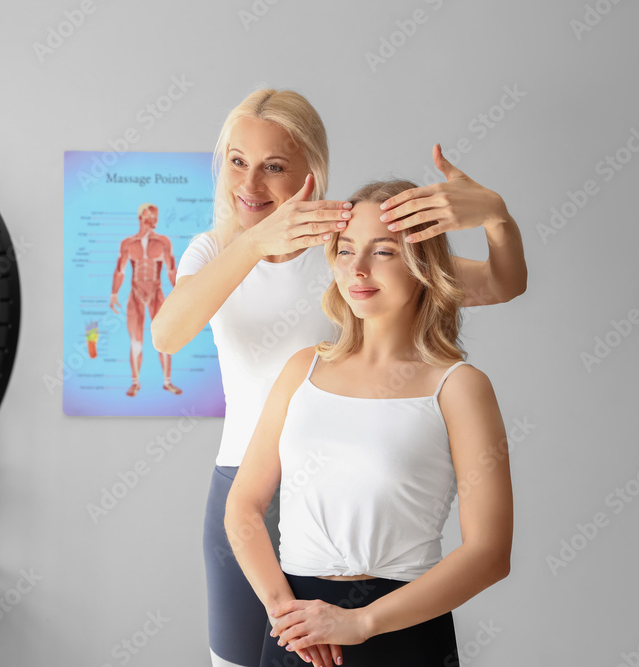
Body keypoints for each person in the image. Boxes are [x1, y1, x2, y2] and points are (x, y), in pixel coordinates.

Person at [150, 88, 526, 667]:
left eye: (274, 167)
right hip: (246, 486)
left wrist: (495, 217)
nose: (250, 185)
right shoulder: (215, 250)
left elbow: (501, 283)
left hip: (353, 487)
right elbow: (167, 336)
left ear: (312, 172)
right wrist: (253, 244)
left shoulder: (348, 243)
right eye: (237, 161)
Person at [225, 179, 514, 667]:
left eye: (382, 251)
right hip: (296, 632)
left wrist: (362, 622)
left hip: (401, 635)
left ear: (424, 263)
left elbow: (489, 553)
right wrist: (283, 611)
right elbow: (244, 506)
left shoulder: (460, 388)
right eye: (344, 250)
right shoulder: (302, 369)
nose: (357, 269)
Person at [111, 202, 182, 396]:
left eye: (156, 217)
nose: (155, 220)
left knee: (164, 338)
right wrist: (114, 293)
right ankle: (135, 382)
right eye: (151, 216)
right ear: (141, 216)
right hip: (135, 294)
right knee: (136, 341)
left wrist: (181, 294)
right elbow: (120, 269)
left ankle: (167, 382)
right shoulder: (128, 243)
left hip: (156, 293)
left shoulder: (163, 242)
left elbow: (171, 269)